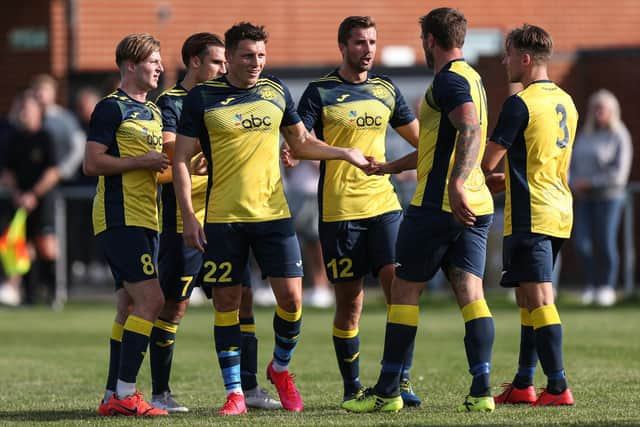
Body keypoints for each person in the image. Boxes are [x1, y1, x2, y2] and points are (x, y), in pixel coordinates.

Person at [173, 22, 370, 415]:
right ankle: (235, 393)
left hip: (274, 215)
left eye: (261, 55)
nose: (256, 63)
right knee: (227, 303)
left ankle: (280, 369)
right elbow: (180, 158)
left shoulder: (276, 90)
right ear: (227, 58)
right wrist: (189, 216)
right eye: (248, 55)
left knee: (293, 300)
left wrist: (344, 152)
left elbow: (300, 142)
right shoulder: (203, 98)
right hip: (224, 218)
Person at [345, 7, 496, 413]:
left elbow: (468, 127)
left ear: (429, 40)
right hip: (475, 206)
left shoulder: (448, 81)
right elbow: (442, 142)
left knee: (405, 291)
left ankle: (388, 391)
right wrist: (392, 166)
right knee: (472, 294)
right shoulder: (474, 77)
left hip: (438, 207)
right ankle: (482, 390)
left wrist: (457, 182)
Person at [294, 15, 421, 409]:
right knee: (350, 304)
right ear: (343, 46)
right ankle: (352, 388)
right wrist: (328, 151)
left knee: (398, 291)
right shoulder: (319, 92)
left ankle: (398, 379)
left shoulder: (386, 90)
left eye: (372, 42)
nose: (367, 50)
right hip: (340, 211)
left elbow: (422, 141)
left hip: (384, 206)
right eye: (359, 43)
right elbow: (301, 143)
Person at [151, 32, 280, 412]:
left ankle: (251, 388)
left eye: (226, 62)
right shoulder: (172, 102)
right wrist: (197, 158)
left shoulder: (230, 98)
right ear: (194, 62)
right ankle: (160, 392)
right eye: (216, 63)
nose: (224, 68)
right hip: (184, 223)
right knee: (174, 307)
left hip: (228, 219)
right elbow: (171, 153)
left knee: (243, 301)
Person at [482, 24, 576, 406]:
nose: (504, 60)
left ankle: (557, 386)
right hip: (558, 210)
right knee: (526, 299)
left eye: (507, 54)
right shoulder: (566, 100)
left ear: (525, 58)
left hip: (531, 214)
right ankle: (523, 382)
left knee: (539, 299)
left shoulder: (520, 103)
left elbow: (488, 163)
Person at [84, 33, 170, 417]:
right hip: (120, 218)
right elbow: (92, 164)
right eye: (154, 61)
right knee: (152, 301)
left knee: (128, 305)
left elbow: (154, 169)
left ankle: (110, 395)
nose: (161, 68)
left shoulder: (152, 112)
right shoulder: (110, 108)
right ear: (131, 65)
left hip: (145, 217)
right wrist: (142, 162)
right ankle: (125, 392)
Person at [570, 89, 632, 307]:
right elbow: (572, 163)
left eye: (602, 109)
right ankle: (590, 285)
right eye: (594, 108)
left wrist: (591, 182)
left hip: (610, 197)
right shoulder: (585, 134)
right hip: (584, 198)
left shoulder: (619, 135)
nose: (597, 113)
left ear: (612, 111)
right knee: (582, 243)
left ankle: (606, 286)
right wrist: (573, 182)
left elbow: (619, 173)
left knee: (605, 241)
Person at [0, 90, 60, 307]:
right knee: (24, 248)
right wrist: (18, 194)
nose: (23, 113)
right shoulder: (14, 139)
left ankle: (53, 293)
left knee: (46, 245)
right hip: (21, 202)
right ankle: (29, 295)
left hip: (42, 200)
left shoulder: (45, 137)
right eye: (21, 108)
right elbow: (8, 172)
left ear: (37, 111)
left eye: (27, 108)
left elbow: (53, 172)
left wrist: (33, 194)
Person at [31, 74, 85, 184]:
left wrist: (62, 171)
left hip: (62, 180)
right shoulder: (26, 118)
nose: (40, 94)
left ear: (54, 92)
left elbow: (79, 147)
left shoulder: (64, 118)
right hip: (33, 179)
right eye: (37, 89)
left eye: (45, 89)